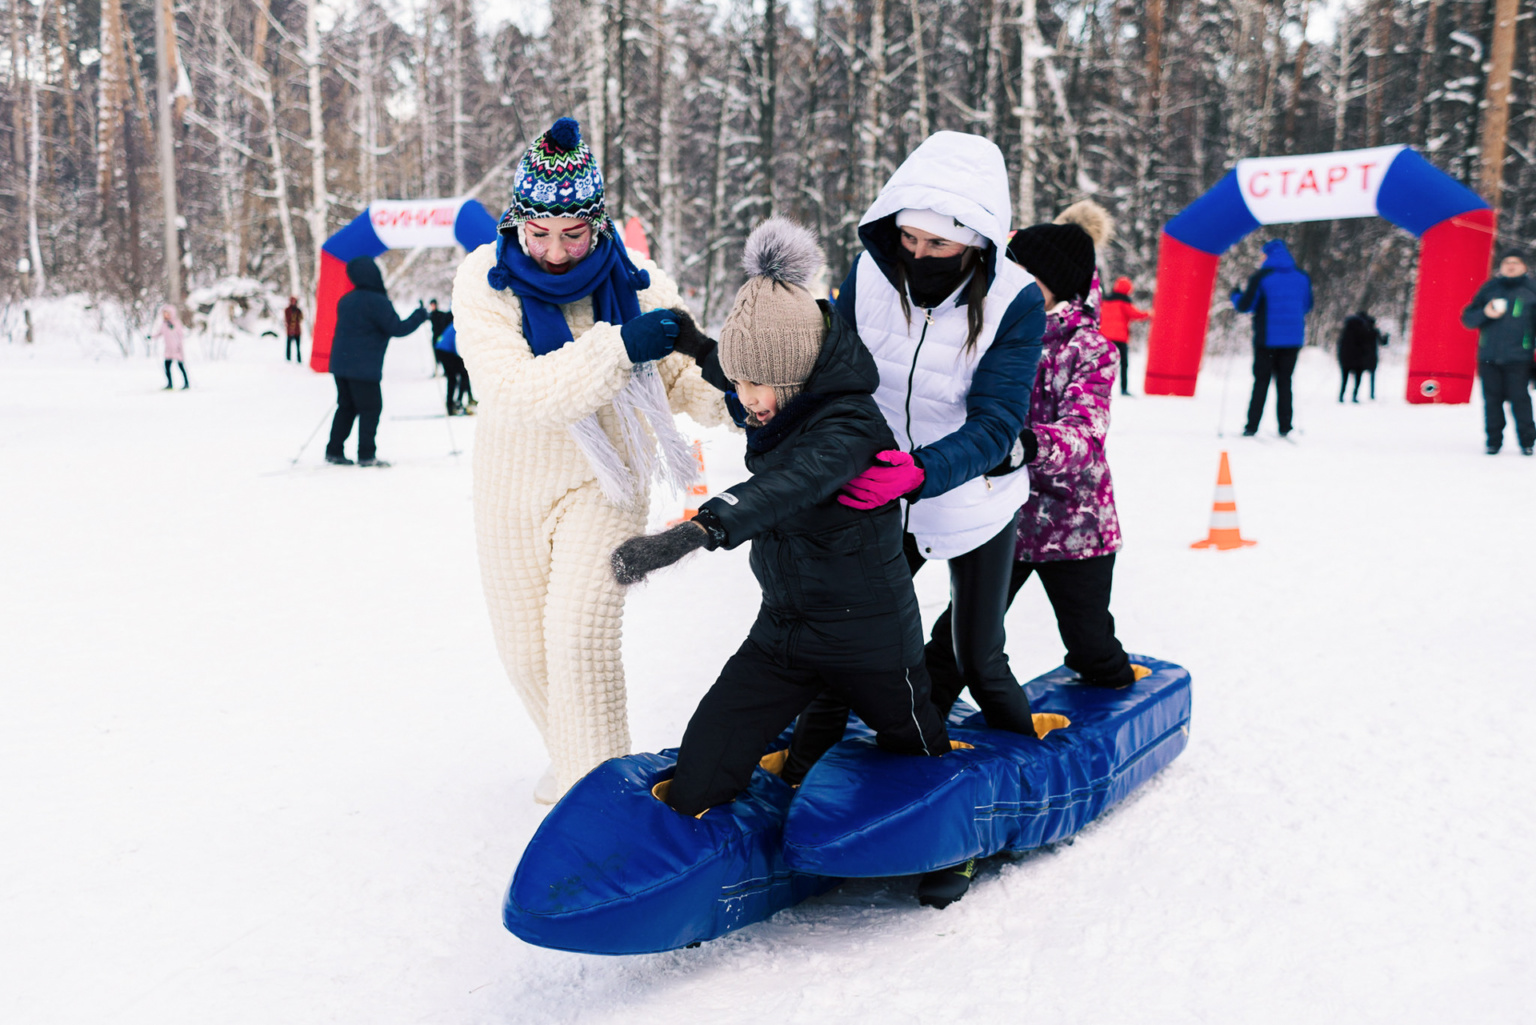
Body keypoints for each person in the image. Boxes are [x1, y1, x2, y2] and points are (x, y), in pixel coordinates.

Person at [611, 218, 951, 818]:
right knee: (707, 757)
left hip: (868, 633)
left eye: (758, 385)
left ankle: (953, 844)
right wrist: (695, 345)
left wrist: (698, 530)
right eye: (740, 383)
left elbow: (788, 485)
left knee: (918, 751)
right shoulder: (775, 392)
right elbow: (743, 367)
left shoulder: (850, 426)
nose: (746, 399)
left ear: (797, 375)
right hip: (786, 628)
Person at [786, 131, 1044, 908]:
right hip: (881, 490)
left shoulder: (1014, 299)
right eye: (908, 235)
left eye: (937, 242)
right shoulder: (870, 272)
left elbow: (999, 418)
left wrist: (927, 468)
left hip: (973, 495)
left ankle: (1021, 777)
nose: (917, 252)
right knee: (852, 630)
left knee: (977, 650)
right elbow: (835, 368)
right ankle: (799, 773)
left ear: (974, 241)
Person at [451, 117, 728, 803]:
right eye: (538, 232)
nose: (553, 250)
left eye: (573, 232)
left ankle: (602, 805)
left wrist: (743, 394)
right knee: (527, 655)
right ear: (517, 220)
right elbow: (516, 392)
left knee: (580, 638)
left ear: (598, 224)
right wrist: (619, 347)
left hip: (608, 481)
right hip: (511, 487)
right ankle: (581, 762)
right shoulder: (484, 282)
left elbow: (677, 378)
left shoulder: (641, 281)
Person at [324, 257, 428, 467]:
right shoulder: (377, 301)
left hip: (340, 366)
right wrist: (420, 315)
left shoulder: (346, 300)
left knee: (346, 407)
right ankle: (366, 455)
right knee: (371, 408)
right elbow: (397, 328)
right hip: (363, 368)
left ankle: (334, 450)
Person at [1232, 239, 1312, 437]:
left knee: (1261, 382)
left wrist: (1235, 295)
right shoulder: (1302, 277)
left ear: (1267, 256)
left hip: (1266, 340)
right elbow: (1307, 305)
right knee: (1285, 382)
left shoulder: (1261, 277)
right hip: (1292, 340)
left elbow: (1245, 305)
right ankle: (1285, 425)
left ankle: (1252, 426)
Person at [1461, 250, 1536, 455]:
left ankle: (1527, 441)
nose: (1510, 266)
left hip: (1520, 358)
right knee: (1492, 402)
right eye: (1506, 262)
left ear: (1524, 267)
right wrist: (1485, 313)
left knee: (1520, 400)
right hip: (1489, 357)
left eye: (1515, 262)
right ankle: (1493, 441)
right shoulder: (1490, 288)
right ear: (1501, 267)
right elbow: (1468, 319)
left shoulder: (1532, 289)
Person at [1099, 275, 1151, 396]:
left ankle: (1100, 387)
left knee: (1104, 363)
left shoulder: (1106, 301)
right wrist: (1149, 314)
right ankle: (1123, 389)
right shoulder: (1124, 302)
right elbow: (1135, 314)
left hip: (1105, 338)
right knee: (1123, 364)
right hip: (1120, 338)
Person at [1336, 309, 1387, 403]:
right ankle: (1356, 395)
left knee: (1344, 378)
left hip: (1345, 359)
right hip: (1358, 359)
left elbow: (1340, 345)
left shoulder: (1345, 330)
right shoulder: (1364, 329)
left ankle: (1341, 396)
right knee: (1359, 378)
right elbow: (1370, 343)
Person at [435, 323, 475, 415]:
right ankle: (455, 403)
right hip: (446, 352)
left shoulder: (458, 322)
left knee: (457, 376)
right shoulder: (461, 325)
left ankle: (454, 403)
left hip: (443, 350)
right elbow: (458, 345)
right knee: (456, 377)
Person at [152, 305, 189, 390]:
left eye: (167, 314)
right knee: (167, 366)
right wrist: (152, 337)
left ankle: (186, 383)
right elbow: (159, 333)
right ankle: (170, 383)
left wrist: (179, 346)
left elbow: (180, 335)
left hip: (176, 349)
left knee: (180, 366)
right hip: (168, 349)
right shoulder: (164, 324)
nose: (165, 315)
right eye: (164, 314)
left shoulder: (176, 323)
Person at [428, 299, 452, 377]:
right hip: (435, 337)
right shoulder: (431, 315)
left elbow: (447, 317)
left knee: (441, 355)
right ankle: (436, 370)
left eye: (433, 305)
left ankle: (446, 370)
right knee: (436, 355)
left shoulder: (440, 314)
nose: (432, 306)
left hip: (440, 337)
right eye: (431, 305)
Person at [284, 297, 304, 362]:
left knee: (298, 346)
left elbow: (301, 318)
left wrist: (297, 314)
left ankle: (299, 359)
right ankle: (288, 358)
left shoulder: (298, 310)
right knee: (289, 345)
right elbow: (287, 319)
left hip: (297, 331)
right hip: (290, 330)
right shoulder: (287, 310)